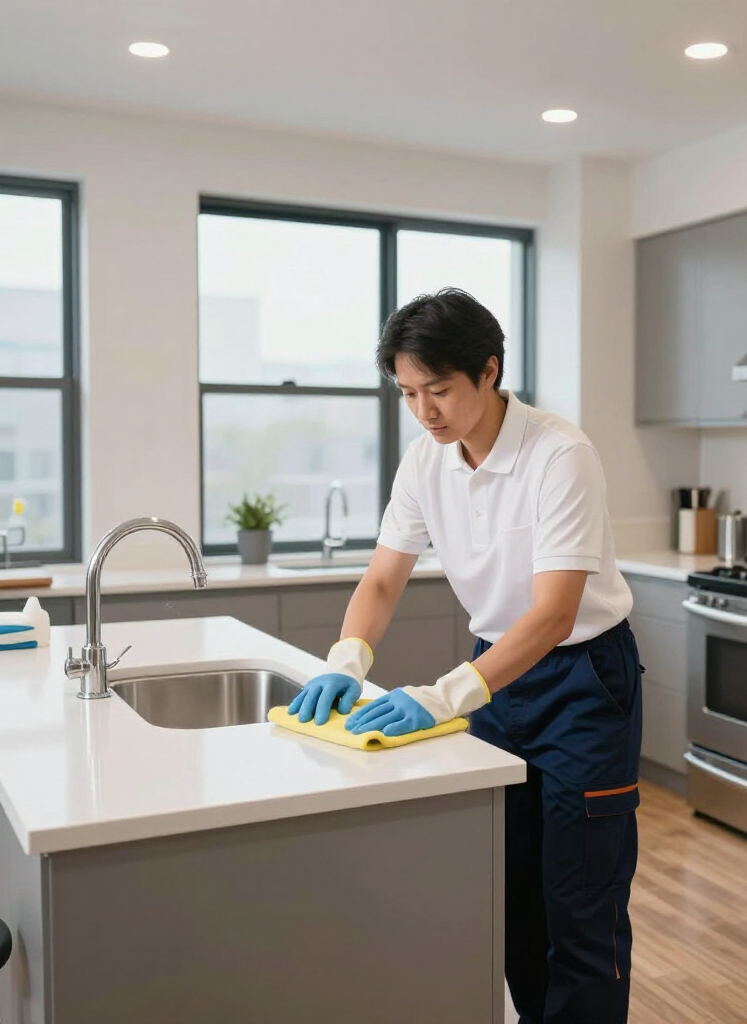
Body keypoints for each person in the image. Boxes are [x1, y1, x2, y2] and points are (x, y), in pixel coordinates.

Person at [288, 287, 642, 1024]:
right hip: (497, 676)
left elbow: (554, 614)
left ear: (489, 371)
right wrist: (345, 658)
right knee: (509, 894)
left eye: (438, 389)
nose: (424, 411)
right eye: (408, 393)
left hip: (582, 681)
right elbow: (384, 578)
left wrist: (445, 696)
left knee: (580, 903)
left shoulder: (559, 454)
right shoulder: (426, 462)